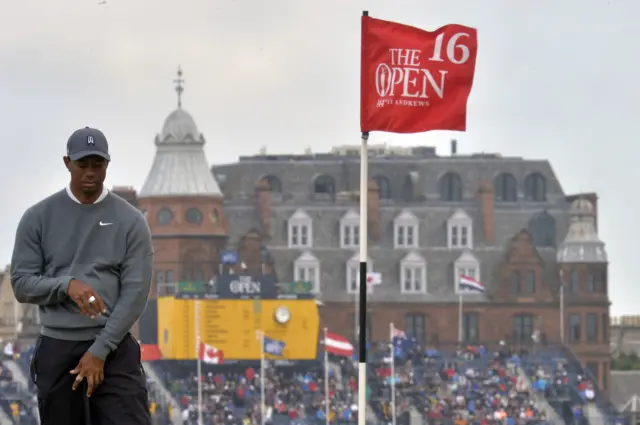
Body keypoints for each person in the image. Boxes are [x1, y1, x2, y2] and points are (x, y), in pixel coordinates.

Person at [10, 127, 154, 425]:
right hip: (58, 348)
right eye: (82, 164)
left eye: (97, 165)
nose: (90, 172)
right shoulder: (38, 218)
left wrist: (100, 351)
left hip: (113, 347)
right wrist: (67, 286)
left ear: (107, 164)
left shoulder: (131, 221)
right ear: (67, 163)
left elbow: (136, 293)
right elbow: (22, 283)